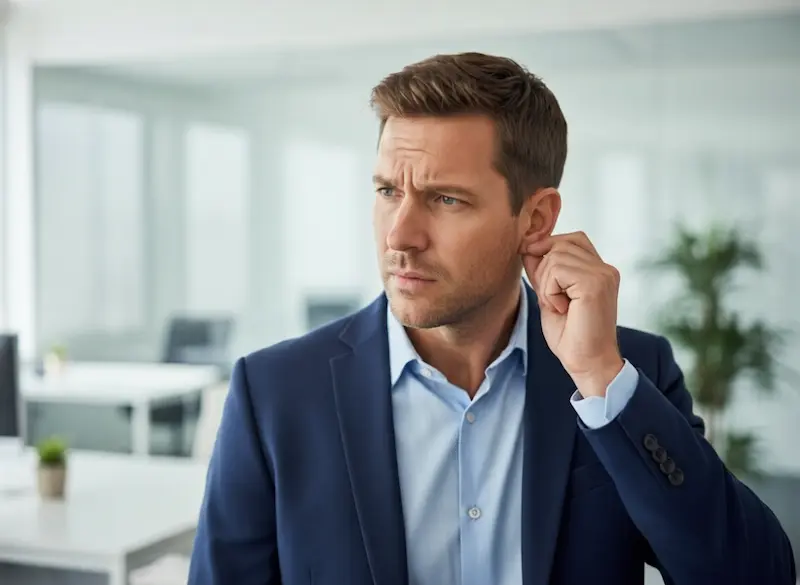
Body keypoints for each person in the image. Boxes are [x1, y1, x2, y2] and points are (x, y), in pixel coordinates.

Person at [188, 52, 796, 585]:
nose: (400, 235)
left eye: (445, 199)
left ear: (535, 220)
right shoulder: (274, 394)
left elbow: (755, 574)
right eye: (388, 192)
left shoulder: (627, 374)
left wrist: (600, 379)